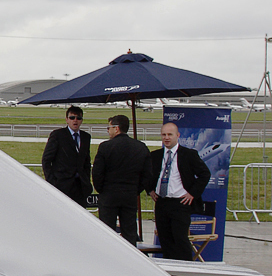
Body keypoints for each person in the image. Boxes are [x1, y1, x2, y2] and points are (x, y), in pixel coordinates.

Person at [146, 122, 210, 262]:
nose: (166, 138)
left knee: (180, 239)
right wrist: (149, 190)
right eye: (164, 135)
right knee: (165, 239)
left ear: (177, 136)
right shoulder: (155, 156)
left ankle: (186, 275)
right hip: (162, 203)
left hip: (180, 203)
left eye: (170, 134)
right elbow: (146, 175)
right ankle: (171, 273)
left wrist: (192, 193)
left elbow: (205, 174)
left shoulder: (189, 155)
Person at [91, 114, 150, 245]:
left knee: (107, 232)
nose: (108, 130)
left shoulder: (105, 147)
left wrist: (102, 189)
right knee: (129, 232)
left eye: (109, 127)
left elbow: (97, 173)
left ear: (116, 128)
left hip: (109, 195)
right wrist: (135, 190)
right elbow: (147, 175)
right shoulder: (141, 147)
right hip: (129, 195)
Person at [42, 106, 92, 206]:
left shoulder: (86, 137)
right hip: (62, 184)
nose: (75, 120)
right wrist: (52, 182)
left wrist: (86, 178)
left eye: (78, 118)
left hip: (80, 186)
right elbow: (46, 160)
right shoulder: (58, 135)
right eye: (72, 118)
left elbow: (86, 161)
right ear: (67, 119)